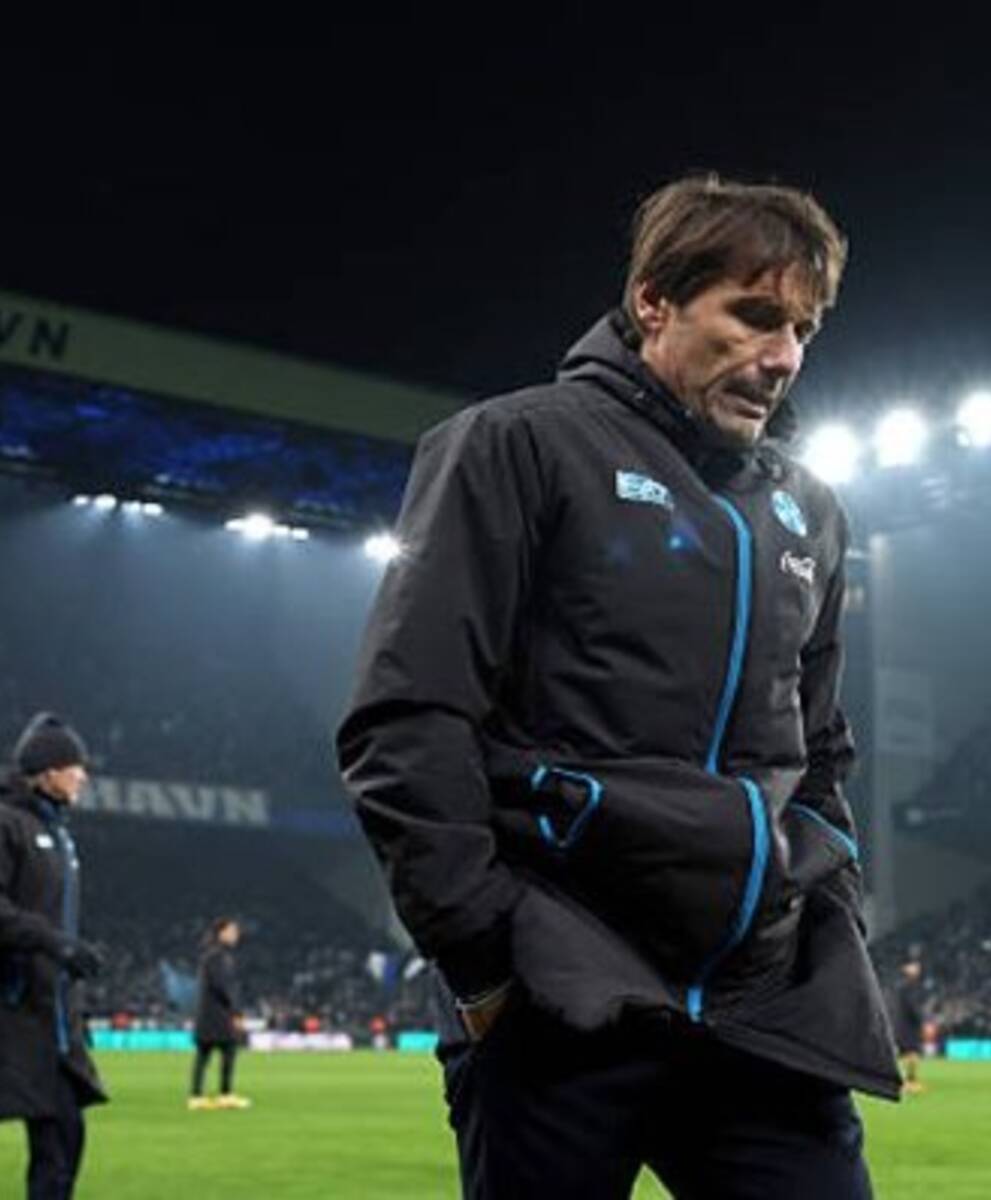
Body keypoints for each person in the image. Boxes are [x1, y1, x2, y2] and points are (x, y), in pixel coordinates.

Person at [338, 174, 898, 1198]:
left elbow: (819, 749)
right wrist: (484, 959)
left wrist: (831, 897)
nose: (783, 356)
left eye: (803, 330)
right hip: (561, 991)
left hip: (761, 1003)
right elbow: (408, 717)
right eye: (754, 315)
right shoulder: (516, 445)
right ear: (654, 302)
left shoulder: (811, 512)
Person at [0, 713, 107, 1200]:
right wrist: (56, 943)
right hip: (13, 1008)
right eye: (74, 766)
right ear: (47, 771)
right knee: (56, 1145)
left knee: (64, 1139)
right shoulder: (8, 824)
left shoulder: (60, 834)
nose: (83, 776)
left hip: (53, 1017)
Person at [189, 917, 250, 1110]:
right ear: (221, 933)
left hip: (208, 1013)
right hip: (218, 1014)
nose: (236, 934)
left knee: (205, 1053)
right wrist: (236, 1011)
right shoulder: (218, 956)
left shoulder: (212, 955)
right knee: (227, 1050)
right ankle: (223, 1094)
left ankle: (197, 1096)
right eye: (232, 930)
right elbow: (223, 986)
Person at [892, 959, 927, 1094]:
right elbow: (912, 1007)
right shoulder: (908, 987)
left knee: (907, 1054)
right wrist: (921, 1021)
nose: (917, 969)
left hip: (903, 1025)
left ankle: (907, 1081)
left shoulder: (903, 986)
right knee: (912, 1054)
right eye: (914, 967)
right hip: (909, 1026)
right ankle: (909, 1082)